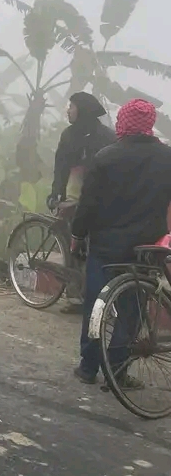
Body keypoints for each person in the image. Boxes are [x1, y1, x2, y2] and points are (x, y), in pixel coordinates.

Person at [71, 98, 171, 386]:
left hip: (106, 246)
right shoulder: (166, 157)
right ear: (149, 124)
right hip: (145, 249)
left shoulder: (105, 156)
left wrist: (78, 236)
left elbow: (87, 205)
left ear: (123, 122)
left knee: (95, 303)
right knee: (131, 310)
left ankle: (88, 367)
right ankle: (117, 371)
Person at [47, 92, 116, 312]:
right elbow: (61, 168)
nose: (68, 110)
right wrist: (56, 193)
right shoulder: (68, 135)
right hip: (74, 195)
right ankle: (75, 297)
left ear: (83, 110)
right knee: (72, 246)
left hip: (98, 198)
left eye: (72, 106)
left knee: (93, 248)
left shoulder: (106, 136)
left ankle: (93, 297)